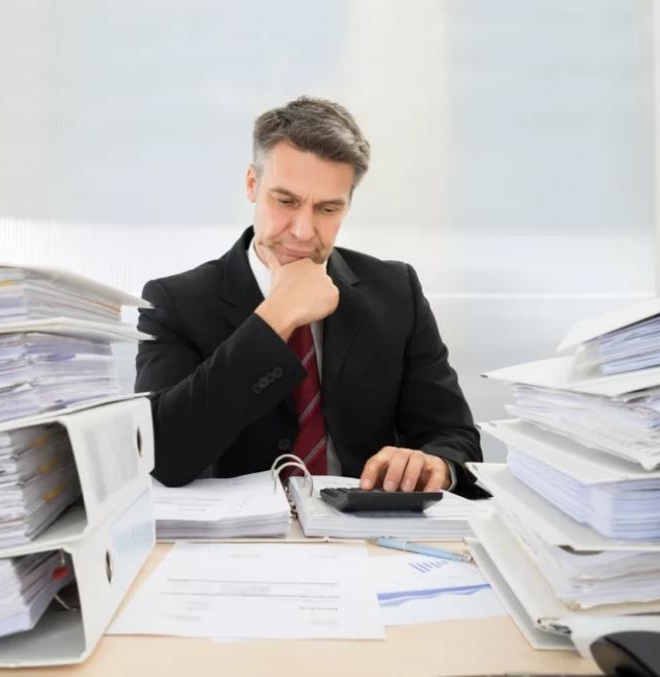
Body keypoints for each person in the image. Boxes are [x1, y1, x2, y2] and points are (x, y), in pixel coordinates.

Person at [136, 96, 484, 497]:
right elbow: (163, 457)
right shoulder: (174, 302)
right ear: (252, 184)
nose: (303, 231)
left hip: (364, 527)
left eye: (328, 209)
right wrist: (275, 317)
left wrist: (436, 464)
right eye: (286, 201)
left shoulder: (396, 291)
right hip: (242, 532)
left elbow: (455, 437)